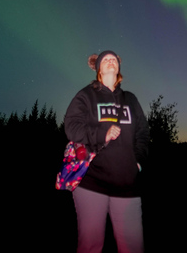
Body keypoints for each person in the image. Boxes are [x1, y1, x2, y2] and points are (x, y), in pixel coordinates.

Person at [64, 50, 149, 253]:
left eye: (114, 60)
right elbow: (71, 127)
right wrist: (102, 133)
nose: (111, 61)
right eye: (106, 59)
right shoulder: (86, 95)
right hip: (92, 184)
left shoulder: (131, 99)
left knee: (133, 247)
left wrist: (137, 162)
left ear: (118, 69)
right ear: (99, 69)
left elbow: (143, 133)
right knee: (90, 246)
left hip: (127, 186)